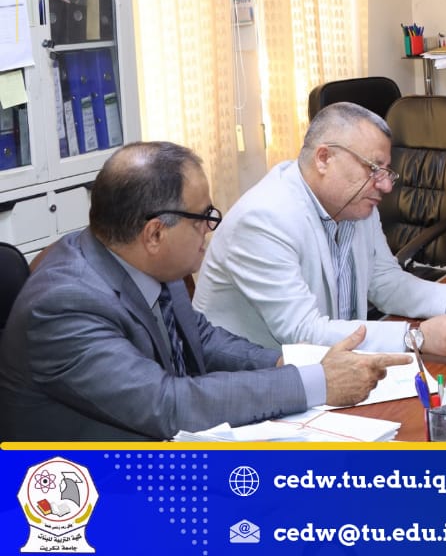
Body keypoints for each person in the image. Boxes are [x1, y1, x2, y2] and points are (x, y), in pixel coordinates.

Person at [0, 142, 407, 441]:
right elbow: (167, 404)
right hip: (83, 491)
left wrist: (287, 363)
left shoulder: (145, 260)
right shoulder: (63, 305)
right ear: (154, 234)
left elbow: (202, 338)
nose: (210, 230)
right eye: (203, 218)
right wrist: (312, 383)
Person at [194, 103, 446, 353]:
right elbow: (303, 332)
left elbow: (385, 283)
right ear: (324, 158)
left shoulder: (354, 204)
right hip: (255, 383)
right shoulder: (264, 219)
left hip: (333, 368)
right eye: (374, 168)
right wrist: (416, 338)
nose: (386, 185)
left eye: (387, 172)